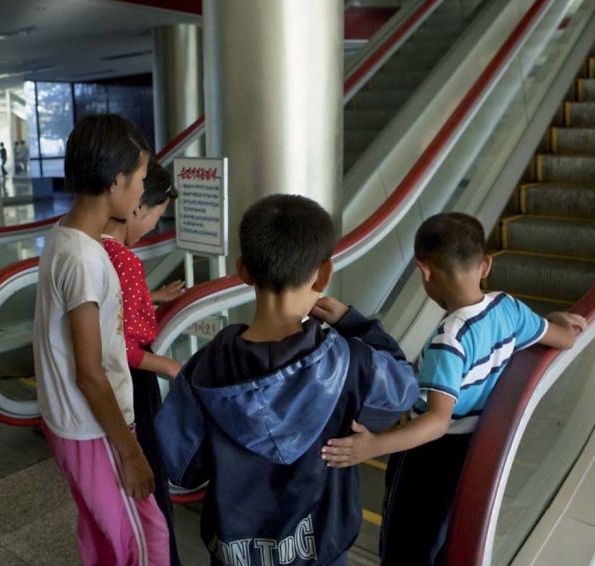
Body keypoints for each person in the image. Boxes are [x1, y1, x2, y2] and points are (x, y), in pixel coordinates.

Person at [156, 194, 419, 566]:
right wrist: (355, 323)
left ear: (243, 270)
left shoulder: (205, 367)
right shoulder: (350, 363)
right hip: (321, 552)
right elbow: (404, 390)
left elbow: (179, 468)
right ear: (324, 273)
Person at [321, 212, 587, 565]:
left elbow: (437, 422)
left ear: (424, 270)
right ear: (486, 265)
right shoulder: (508, 308)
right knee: (440, 539)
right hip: (473, 451)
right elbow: (566, 338)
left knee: (406, 545)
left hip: (429, 459)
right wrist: (555, 320)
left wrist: (372, 447)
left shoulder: (450, 340)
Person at [32, 114, 169, 565]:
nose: (140, 191)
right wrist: (130, 453)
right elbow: (90, 374)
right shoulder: (86, 259)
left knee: (104, 539)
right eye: (141, 179)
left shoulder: (64, 237)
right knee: (144, 543)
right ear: (116, 180)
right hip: (95, 429)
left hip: (73, 425)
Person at [102, 160, 184, 565]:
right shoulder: (126, 262)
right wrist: (170, 366)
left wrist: (154, 298)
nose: (153, 225)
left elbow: (105, 314)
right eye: (156, 216)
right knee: (151, 475)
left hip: (108, 389)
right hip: (133, 383)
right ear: (138, 206)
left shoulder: (92, 247)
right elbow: (121, 345)